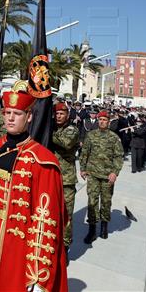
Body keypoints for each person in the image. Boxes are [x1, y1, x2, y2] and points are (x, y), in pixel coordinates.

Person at [0, 83, 68, 292]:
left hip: (19, 245)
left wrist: (38, 274)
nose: (10, 118)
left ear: (29, 116)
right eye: (7, 112)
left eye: (17, 113)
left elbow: (46, 219)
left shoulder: (44, 161)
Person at [80, 111, 124, 243]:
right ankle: (92, 230)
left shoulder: (114, 138)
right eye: (100, 119)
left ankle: (104, 227)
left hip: (107, 176)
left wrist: (114, 172)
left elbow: (118, 156)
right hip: (92, 174)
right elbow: (84, 152)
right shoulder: (91, 135)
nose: (102, 122)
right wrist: (82, 168)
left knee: (105, 202)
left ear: (109, 122)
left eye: (105, 119)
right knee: (92, 202)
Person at [52, 101, 80, 259]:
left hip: (66, 179)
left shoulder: (72, 130)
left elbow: (66, 144)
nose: (58, 116)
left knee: (66, 215)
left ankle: (65, 246)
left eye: (61, 113)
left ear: (67, 115)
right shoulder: (53, 129)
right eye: (56, 113)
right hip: (51, 176)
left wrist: (46, 129)